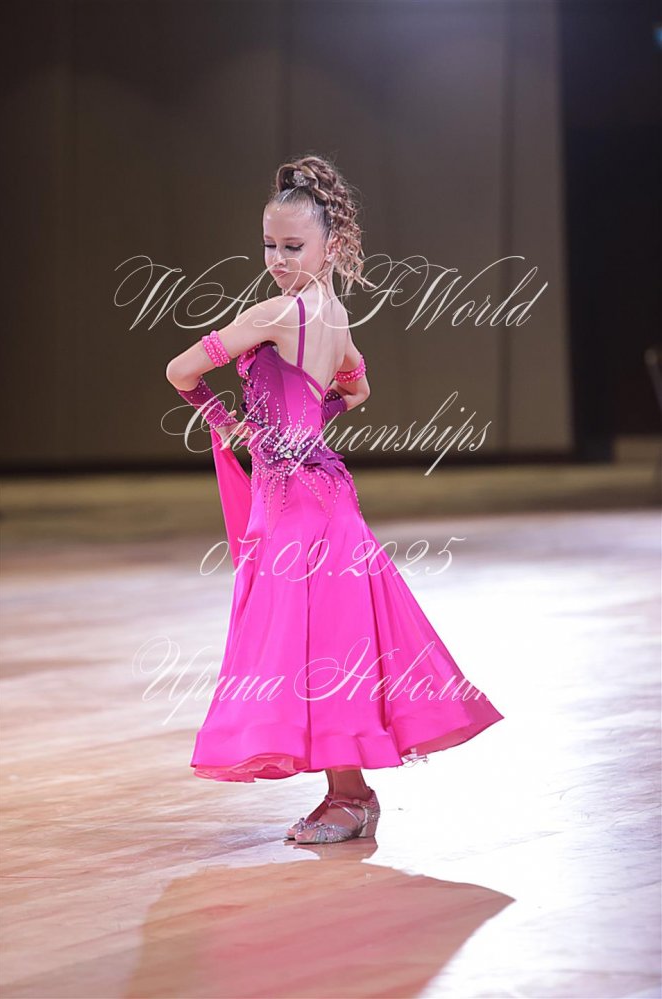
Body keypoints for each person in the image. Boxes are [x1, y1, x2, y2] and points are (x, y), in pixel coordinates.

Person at [166, 154, 504, 843]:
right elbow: (359, 388)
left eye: (293, 246)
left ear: (332, 245)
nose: (278, 259)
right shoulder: (336, 314)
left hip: (297, 504)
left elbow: (180, 370)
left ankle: (351, 797)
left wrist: (231, 425)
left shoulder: (273, 313)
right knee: (331, 643)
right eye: (269, 245)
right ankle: (349, 796)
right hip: (324, 492)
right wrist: (301, 426)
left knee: (312, 645)